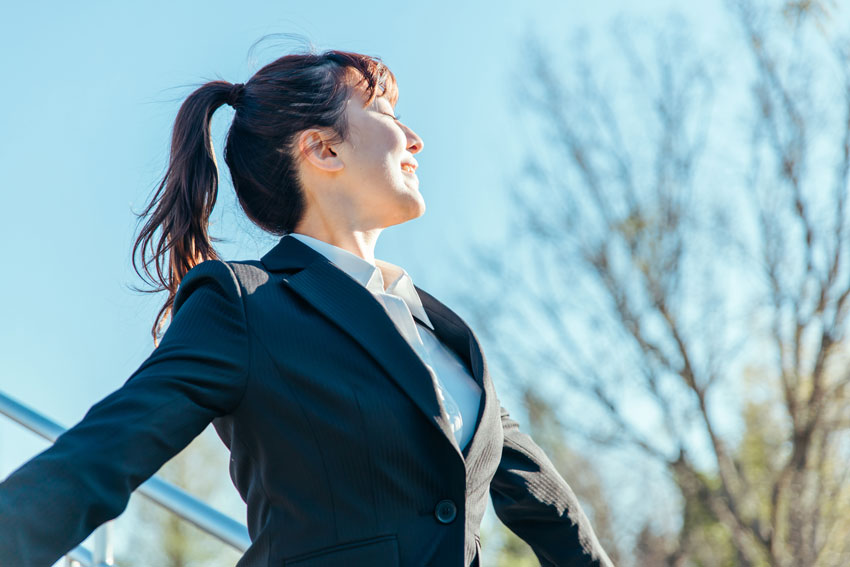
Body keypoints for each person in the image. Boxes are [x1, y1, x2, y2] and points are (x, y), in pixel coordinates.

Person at [0, 49, 614, 567]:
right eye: (386, 113)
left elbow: (553, 512)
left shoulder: (447, 336)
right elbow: (98, 458)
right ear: (323, 149)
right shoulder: (243, 304)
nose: (415, 138)